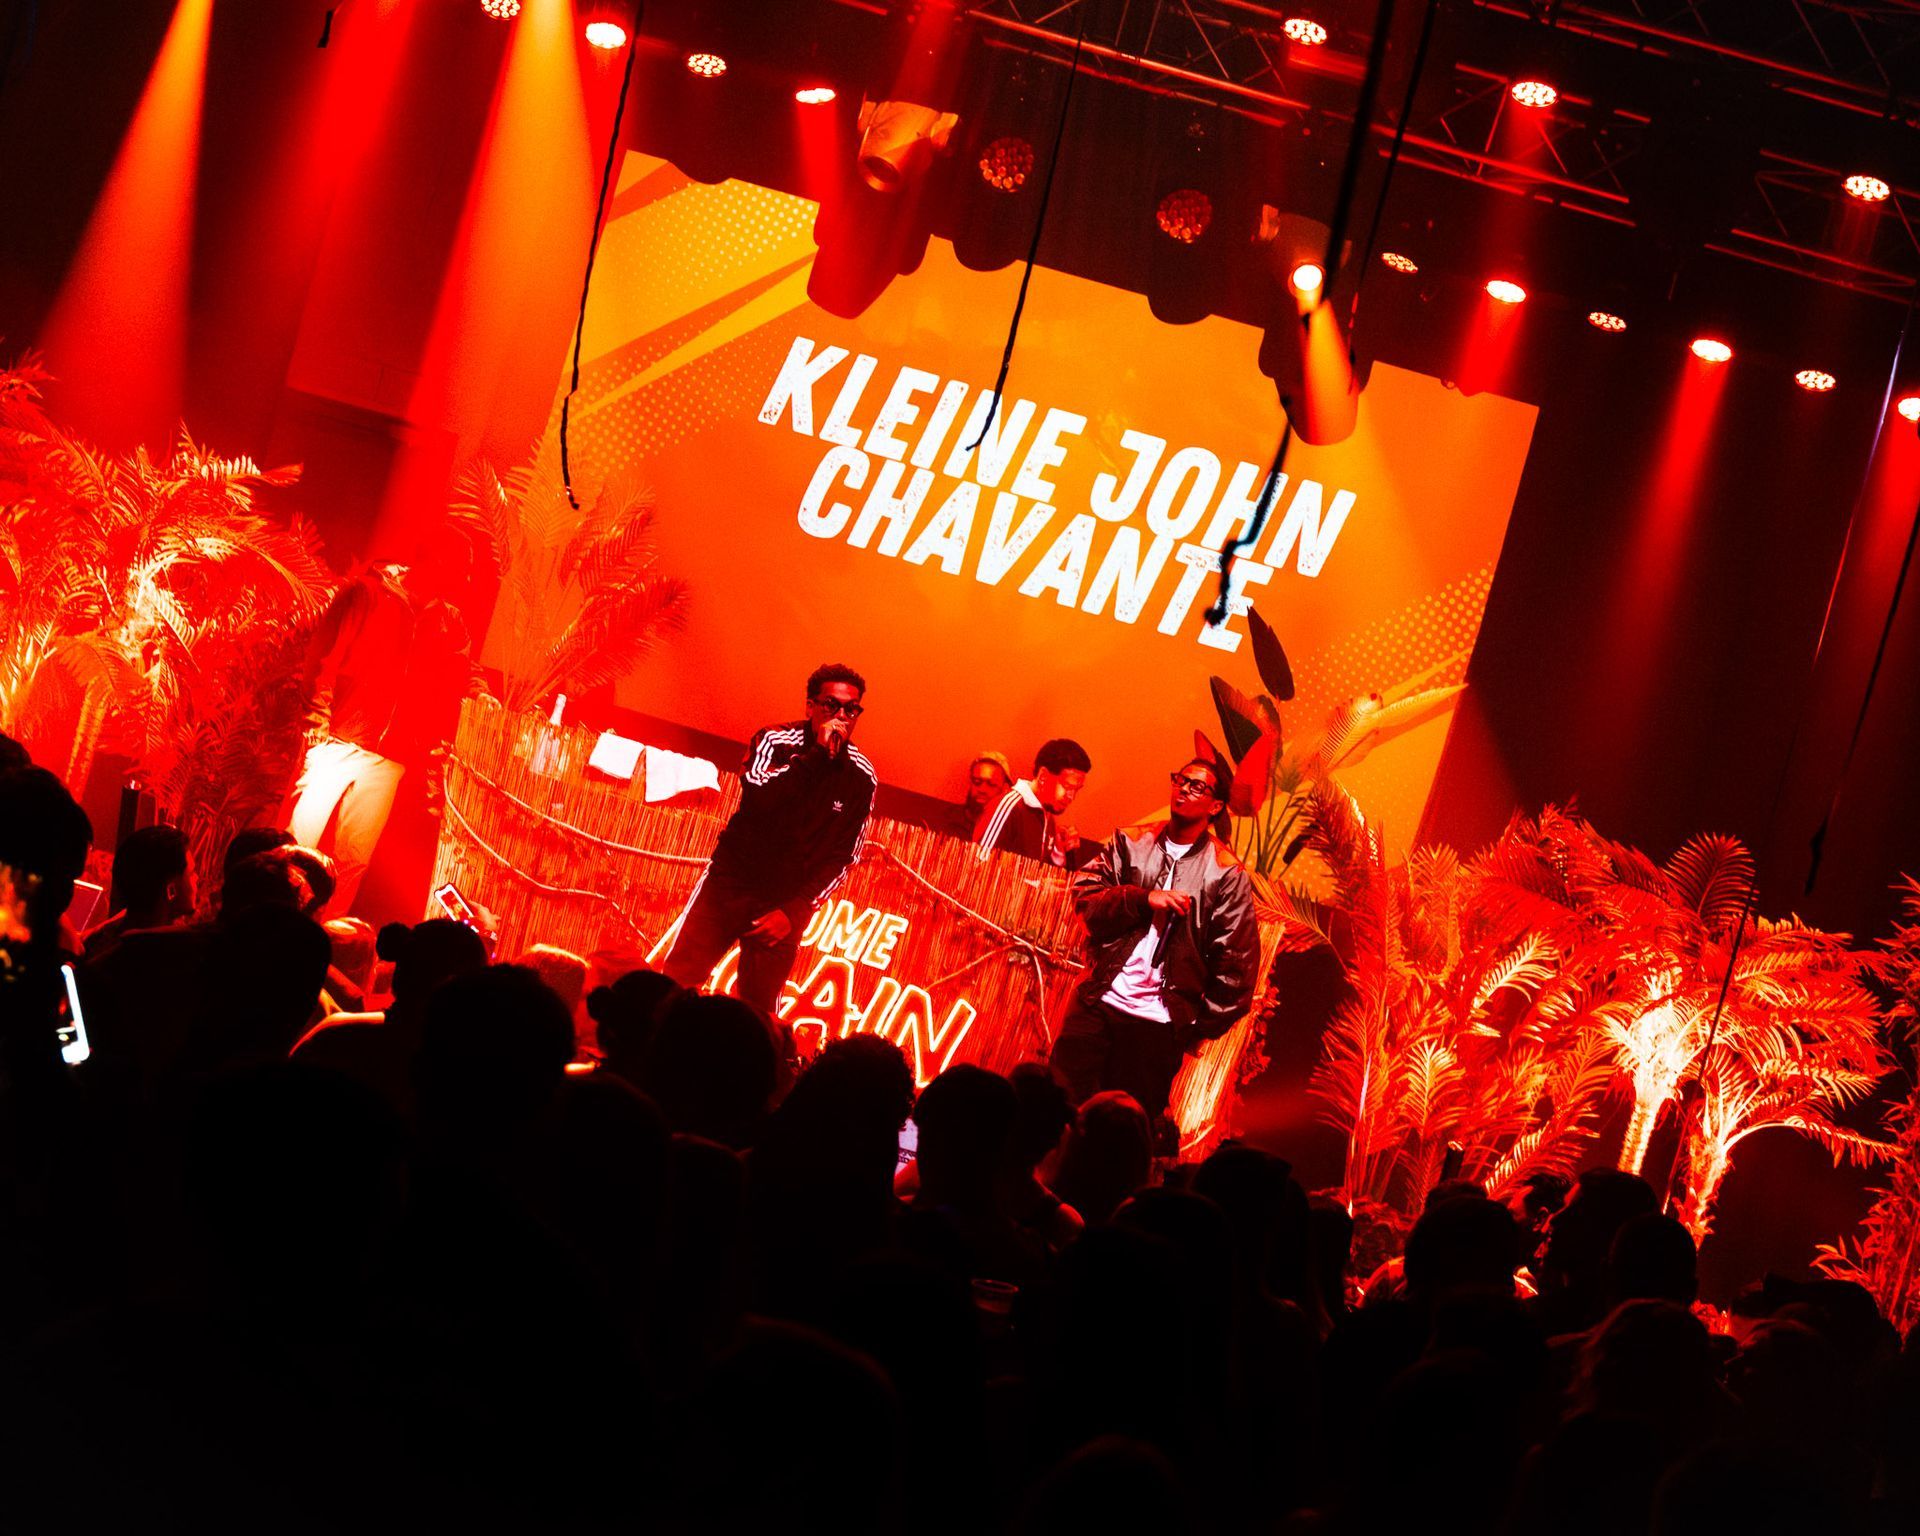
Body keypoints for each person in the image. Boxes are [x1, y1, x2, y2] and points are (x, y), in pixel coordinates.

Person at [1048, 757, 1259, 1137]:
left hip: (1156, 1025)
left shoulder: (1226, 873)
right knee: (1055, 1113)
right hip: (1098, 1002)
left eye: (1197, 786)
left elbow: (1237, 967)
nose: (1184, 789)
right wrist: (1143, 899)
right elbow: (1085, 898)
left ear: (1215, 806)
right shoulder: (1131, 842)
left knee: (1122, 1136)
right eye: (1181, 780)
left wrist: (1191, 1027)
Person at [284, 523, 483, 917]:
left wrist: (483, 694)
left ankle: (331, 936)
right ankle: (275, 921)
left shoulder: (448, 621)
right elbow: (325, 659)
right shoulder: (367, 594)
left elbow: (464, 671)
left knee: (353, 858)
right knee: (297, 843)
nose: (466, 579)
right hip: (337, 739)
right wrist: (318, 720)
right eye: (463, 569)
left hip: (391, 755)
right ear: (438, 562)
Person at [663, 663, 876, 1017]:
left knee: (758, 1013)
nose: (841, 716)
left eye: (851, 709)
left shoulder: (861, 775)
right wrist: (816, 755)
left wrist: (795, 911)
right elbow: (760, 799)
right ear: (810, 706)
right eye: (831, 705)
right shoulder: (775, 741)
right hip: (729, 886)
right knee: (677, 982)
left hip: (782, 905)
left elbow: (844, 856)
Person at [83, 823, 195, 962]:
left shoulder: (97, 946)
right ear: (171, 891)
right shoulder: (173, 958)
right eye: (191, 873)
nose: (197, 879)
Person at [974, 739, 1092, 867]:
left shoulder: (1048, 819)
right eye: (1067, 786)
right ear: (1043, 776)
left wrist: (1064, 855)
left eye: (1076, 790)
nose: (1071, 797)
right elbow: (978, 866)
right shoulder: (1009, 807)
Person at [945, 751, 1013, 840]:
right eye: (977, 782)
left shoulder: (1006, 831)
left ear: (1004, 789)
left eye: (991, 784)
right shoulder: (949, 819)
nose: (982, 789)